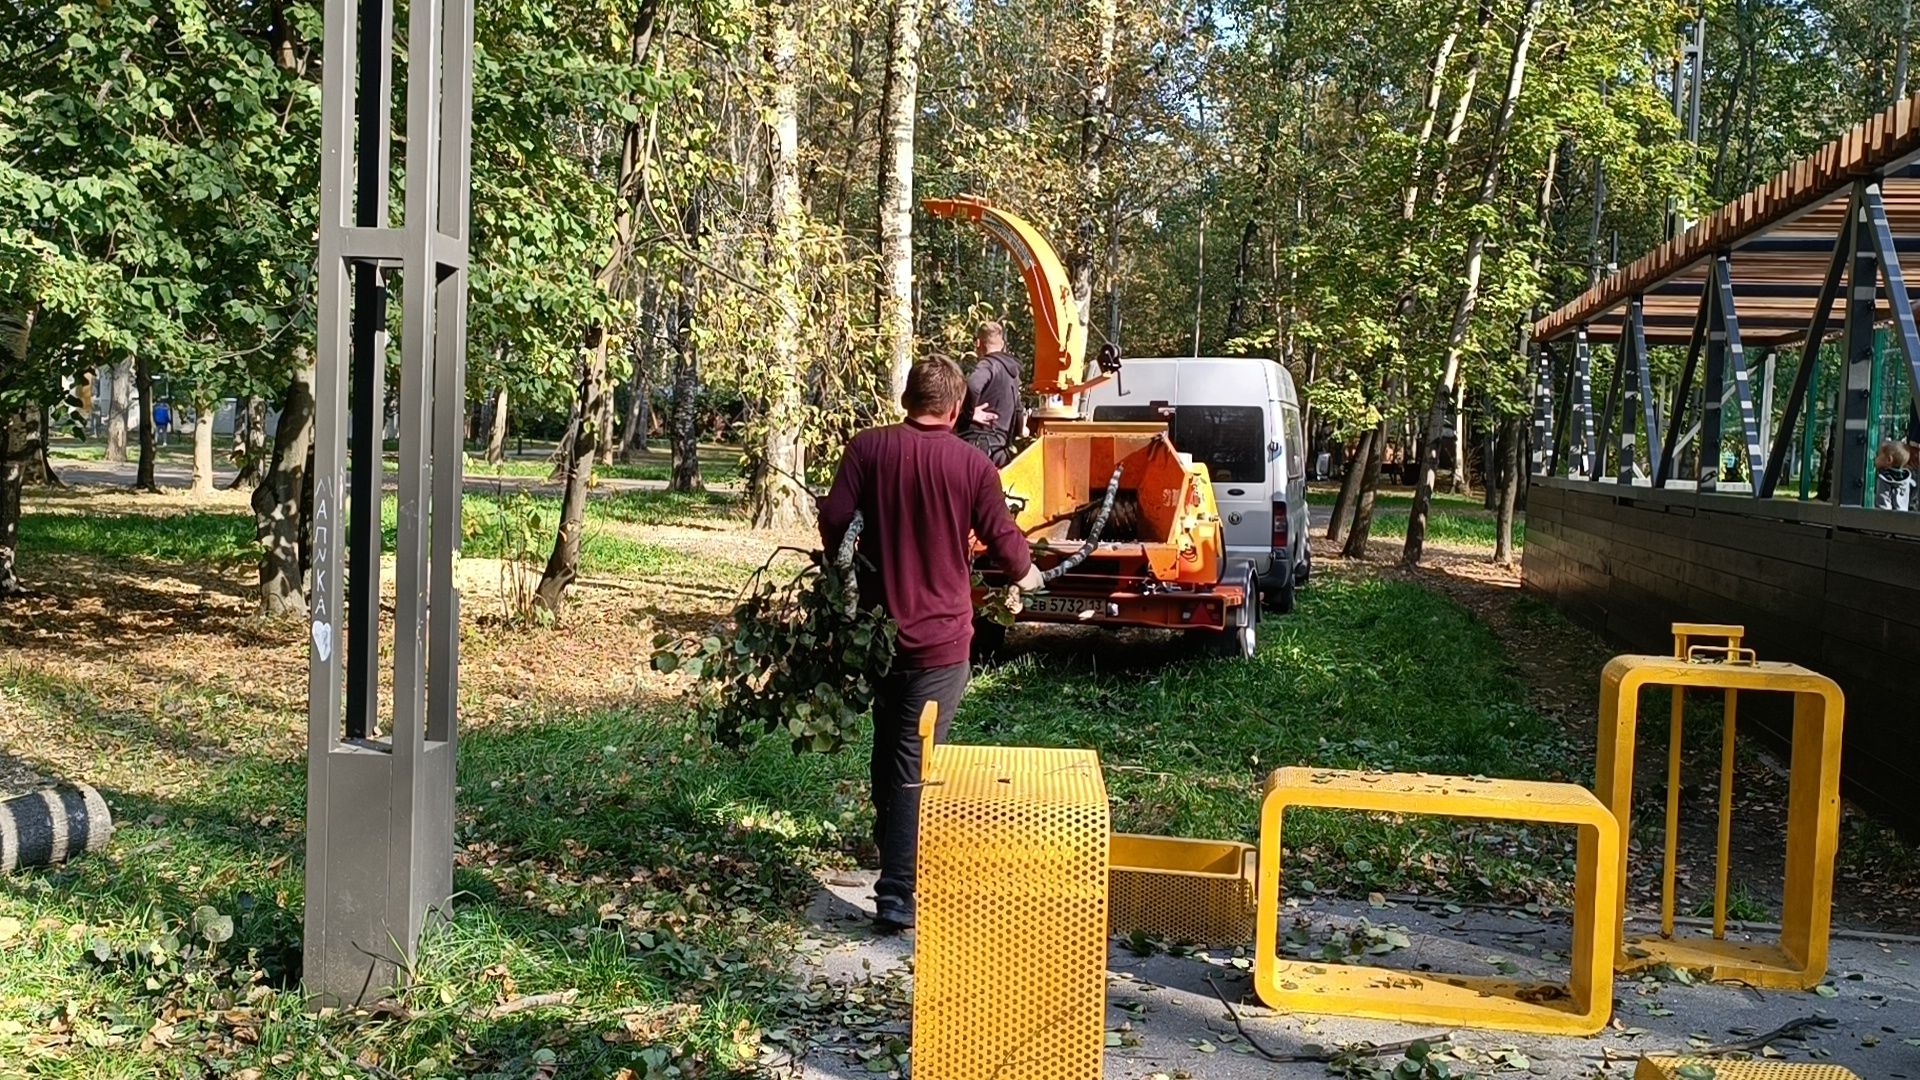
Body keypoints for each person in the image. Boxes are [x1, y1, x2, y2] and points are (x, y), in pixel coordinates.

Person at [819, 356, 1043, 932]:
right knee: (913, 762)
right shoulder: (972, 466)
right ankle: (896, 892)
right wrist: (1028, 574)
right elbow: (1002, 536)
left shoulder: (867, 450)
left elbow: (835, 516)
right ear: (957, 408)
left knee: (890, 745)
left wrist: (854, 563)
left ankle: (888, 842)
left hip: (877, 634)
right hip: (942, 644)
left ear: (906, 399)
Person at [957, 321, 1024, 466]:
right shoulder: (1013, 375)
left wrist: (969, 413)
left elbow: (973, 385)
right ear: (1003, 345)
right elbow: (1018, 410)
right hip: (999, 449)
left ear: (978, 343)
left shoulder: (988, 364)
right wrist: (1017, 436)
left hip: (976, 445)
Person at [1875, 440, 1914, 511]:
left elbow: (1883, 505)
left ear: (1889, 460)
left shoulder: (1885, 479)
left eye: (1878, 455)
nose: (1875, 458)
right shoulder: (1905, 480)